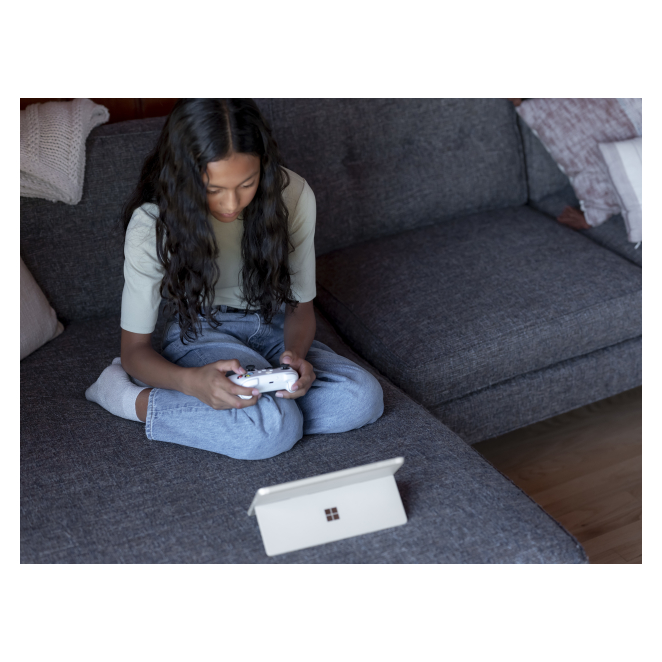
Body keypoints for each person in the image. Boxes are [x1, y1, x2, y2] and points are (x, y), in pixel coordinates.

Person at [85, 98, 384, 460]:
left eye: (247, 183)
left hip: (274, 327)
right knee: (271, 426)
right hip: (202, 331)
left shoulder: (292, 194)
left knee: (362, 398)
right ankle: (127, 397)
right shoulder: (152, 224)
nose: (231, 204)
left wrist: (295, 359)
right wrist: (191, 382)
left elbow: (300, 309)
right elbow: (134, 352)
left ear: (264, 167)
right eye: (213, 189)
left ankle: (268, 414)